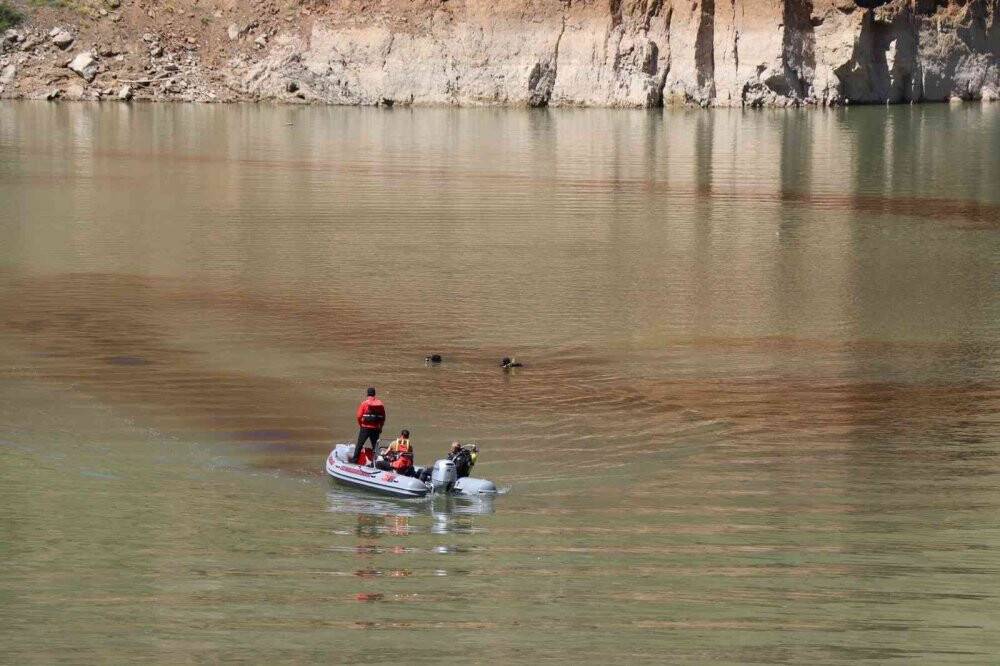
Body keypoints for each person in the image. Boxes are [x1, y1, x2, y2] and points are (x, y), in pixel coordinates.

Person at [352, 387, 386, 463]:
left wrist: (361, 425)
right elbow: (383, 418)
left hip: (365, 427)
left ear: (367, 394)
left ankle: (354, 461)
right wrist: (381, 427)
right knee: (375, 446)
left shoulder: (364, 403)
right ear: (374, 394)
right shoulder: (380, 404)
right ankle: (376, 463)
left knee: (359, 445)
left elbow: (359, 416)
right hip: (376, 428)